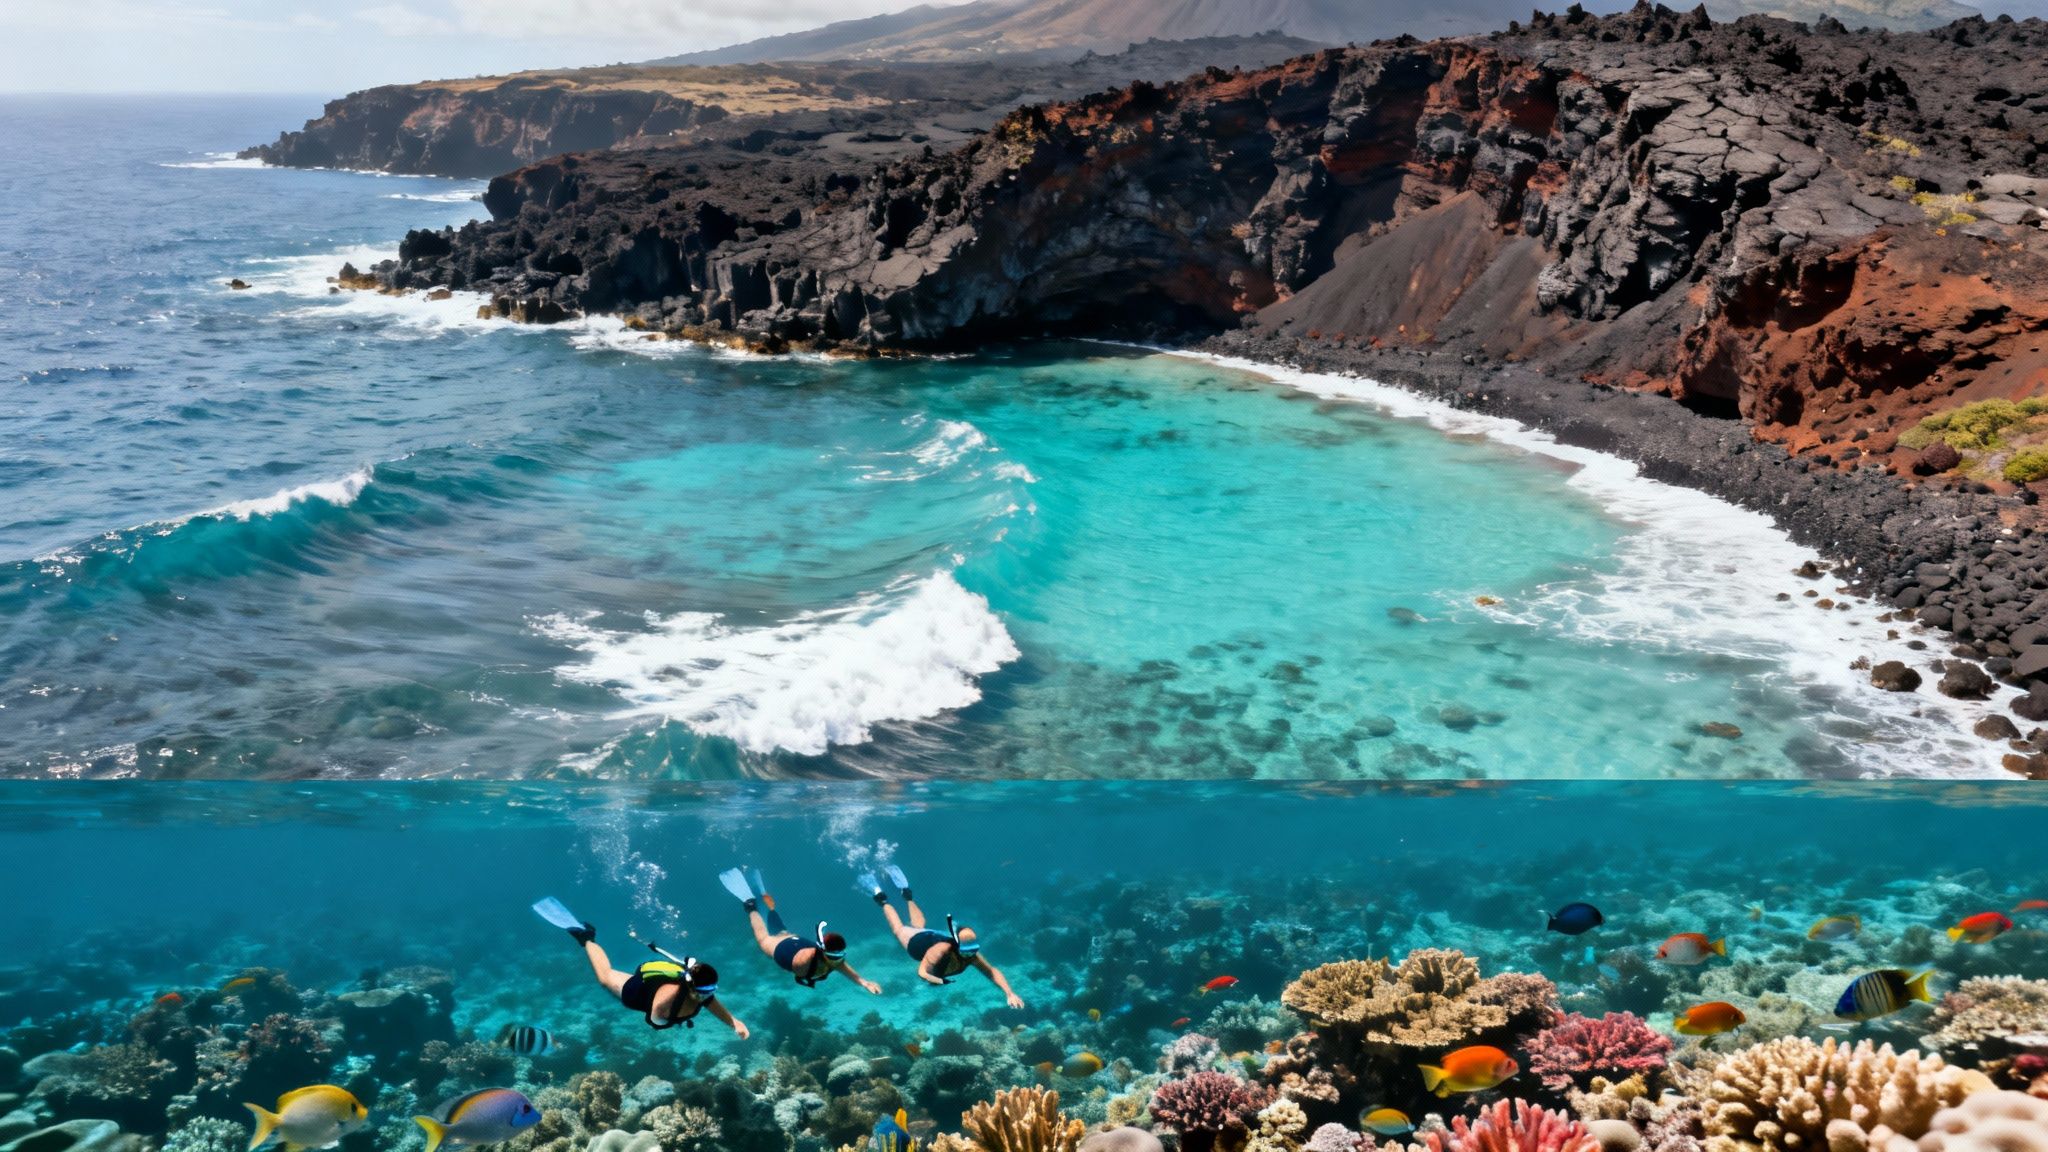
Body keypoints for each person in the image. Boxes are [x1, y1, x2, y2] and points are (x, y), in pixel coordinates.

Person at [540, 901, 749, 1037]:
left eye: (711, 990)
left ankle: (587, 937)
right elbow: (654, 1020)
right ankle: (586, 937)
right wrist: (668, 1022)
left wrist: (734, 1022)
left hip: (656, 986)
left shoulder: (701, 994)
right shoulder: (669, 997)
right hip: (635, 994)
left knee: (611, 975)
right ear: (689, 987)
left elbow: (711, 1003)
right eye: (703, 992)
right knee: (605, 977)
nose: (707, 997)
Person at [859, 863, 1023, 1008]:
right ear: (957, 945)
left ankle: (907, 895)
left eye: (973, 949)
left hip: (937, 936)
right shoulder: (940, 950)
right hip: (919, 944)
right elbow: (922, 972)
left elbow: (992, 972)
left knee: (919, 926)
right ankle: (881, 897)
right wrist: (939, 981)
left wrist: (1009, 993)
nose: (970, 955)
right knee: (899, 929)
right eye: (967, 950)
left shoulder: (972, 955)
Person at [720, 867, 882, 994]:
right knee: (763, 939)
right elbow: (824, 967)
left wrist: (864, 983)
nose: (837, 960)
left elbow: (842, 967)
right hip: (785, 952)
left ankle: (768, 905)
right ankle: (750, 905)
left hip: (802, 944)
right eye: (833, 956)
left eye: (839, 956)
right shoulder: (808, 961)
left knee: (783, 931)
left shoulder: (833, 958)